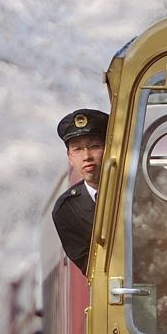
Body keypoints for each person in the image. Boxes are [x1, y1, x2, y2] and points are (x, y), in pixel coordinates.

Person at [52, 109, 109, 275]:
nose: (87, 156)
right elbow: (94, 271)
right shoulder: (67, 211)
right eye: (77, 149)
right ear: (70, 157)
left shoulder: (147, 187)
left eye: (95, 146)